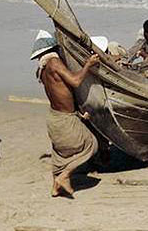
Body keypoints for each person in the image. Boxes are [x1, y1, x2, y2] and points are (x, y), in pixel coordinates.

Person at [31, 29, 101, 198]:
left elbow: (62, 92)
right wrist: (88, 65)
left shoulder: (43, 68)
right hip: (64, 119)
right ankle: (64, 176)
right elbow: (76, 82)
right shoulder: (55, 62)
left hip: (54, 117)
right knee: (91, 144)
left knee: (59, 153)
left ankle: (55, 187)